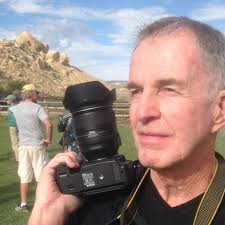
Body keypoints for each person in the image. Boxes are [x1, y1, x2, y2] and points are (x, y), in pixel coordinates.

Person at [28, 16, 225, 225]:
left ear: (219, 110)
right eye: (136, 91)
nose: (142, 112)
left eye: (169, 90)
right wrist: (46, 214)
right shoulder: (88, 201)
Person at [11, 83, 53, 212]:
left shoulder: (14, 109)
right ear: (31, 93)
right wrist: (49, 140)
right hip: (37, 146)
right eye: (37, 93)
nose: (38, 95)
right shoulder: (37, 107)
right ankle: (40, 203)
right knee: (40, 176)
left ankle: (23, 204)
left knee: (24, 176)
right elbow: (49, 125)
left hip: (23, 146)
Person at [4, 94, 19, 162]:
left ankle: (18, 158)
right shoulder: (19, 107)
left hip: (13, 127)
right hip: (20, 126)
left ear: (11, 100)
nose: (6, 101)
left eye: (7, 100)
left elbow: (13, 119)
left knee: (15, 144)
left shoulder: (11, 108)